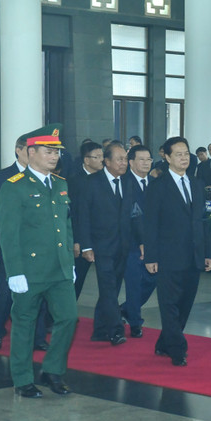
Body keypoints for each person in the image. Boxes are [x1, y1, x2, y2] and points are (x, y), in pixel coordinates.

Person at [0, 124, 78, 398]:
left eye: (56, 152)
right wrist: (14, 272)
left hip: (59, 269)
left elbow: (66, 227)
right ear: (30, 152)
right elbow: (9, 234)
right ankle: (22, 379)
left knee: (69, 318)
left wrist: (70, 262)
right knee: (24, 323)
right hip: (29, 271)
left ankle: (53, 371)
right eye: (48, 151)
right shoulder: (14, 187)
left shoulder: (61, 184)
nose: (54, 157)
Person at [143, 137, 211, 367]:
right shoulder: (157, 185)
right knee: (169, 303)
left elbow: (203, 221)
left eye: (186, 153)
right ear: (167, 157)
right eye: (179, 154)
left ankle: (165, 342)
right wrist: (151, 256)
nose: (184, 158)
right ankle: (177, 348)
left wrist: (207, 252)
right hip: (168, 255)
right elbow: (150, 223)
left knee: (185, 303)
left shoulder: (196, 183)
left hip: (193, 255)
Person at [77, 141, 138, 346]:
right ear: (107, 161)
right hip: (100, 246)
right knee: (108, 287)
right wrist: (86, 246)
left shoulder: (127, 182)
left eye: (126, 159)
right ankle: (115, 330)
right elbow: (82, 215)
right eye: (119, 159)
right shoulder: (91, 182)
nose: (124, 163)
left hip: (122, 245)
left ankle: (100, 330)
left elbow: (133, 215)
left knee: (111, 288)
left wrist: (140, 241)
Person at [0, 134, 51, 352]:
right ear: (18, 150)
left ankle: (37, 337)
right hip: (8, 246)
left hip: (38, 247)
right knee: (9, 290)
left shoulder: (45, 178)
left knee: (39, 291)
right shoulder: (1, 178)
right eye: (30, 150)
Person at [120, 145, 157, 338]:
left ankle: (125, 309)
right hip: (130, 243)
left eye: (149, 159)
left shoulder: (155, 183)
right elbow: (130, 216)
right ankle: (135, 322)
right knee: (134, 282)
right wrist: (141, 241)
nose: (146, 163)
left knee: (152, 279)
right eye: (141, 160)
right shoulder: (124, 183)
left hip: (152, 242)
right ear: (131, 162)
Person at [68, 141, 105, 298]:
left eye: (103, 156)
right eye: (97, 157)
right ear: (86, 160)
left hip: (102, 238)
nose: (102, 160)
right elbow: (74, 214)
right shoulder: (75, 181)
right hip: (81, 240)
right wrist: (77, 241)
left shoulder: (105, 179)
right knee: (76, 279)